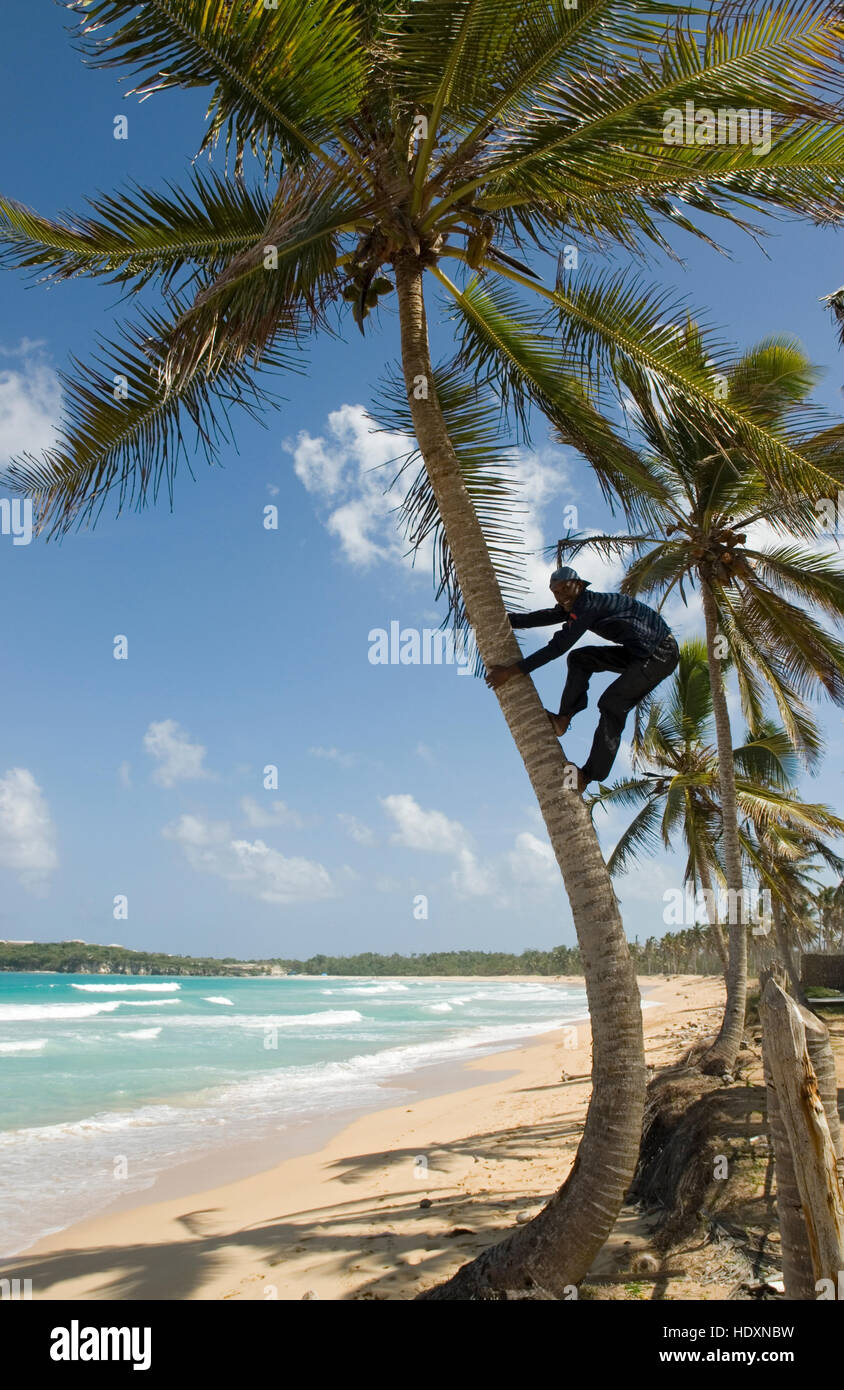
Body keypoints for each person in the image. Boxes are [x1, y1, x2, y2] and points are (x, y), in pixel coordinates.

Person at [485, 565, 679, 792]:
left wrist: (510, 672)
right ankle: (563, 719)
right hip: (638, 653)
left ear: (579, 585)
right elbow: (542, 617)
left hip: (660, 654)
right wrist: (498, 619)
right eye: (556, 592)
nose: (561, 596)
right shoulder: (575, 605)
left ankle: (587, 776)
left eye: (565, 589)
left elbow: (558, 647)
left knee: (612, 703)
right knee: (580, 659)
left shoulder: (589, 605)